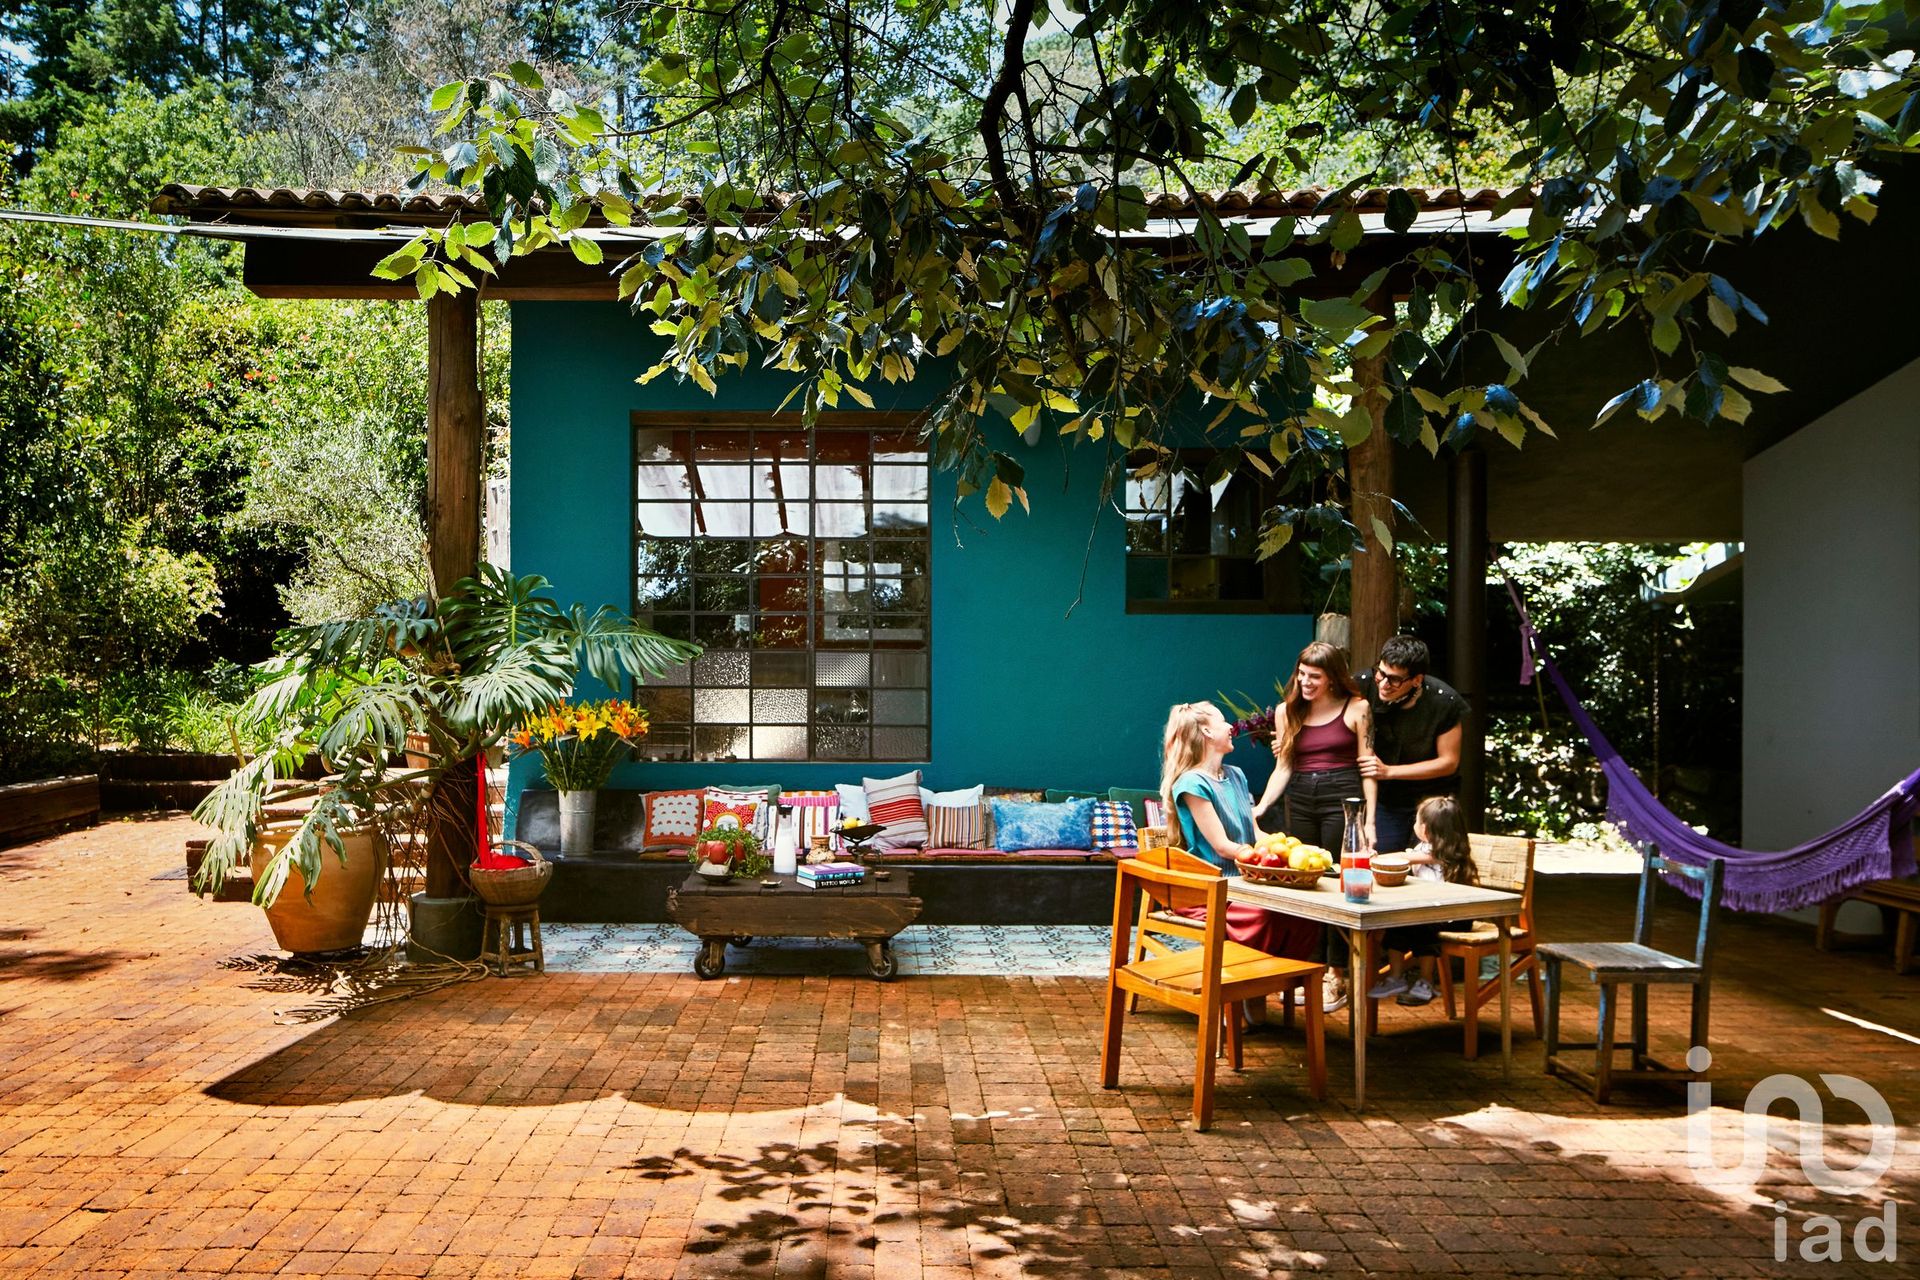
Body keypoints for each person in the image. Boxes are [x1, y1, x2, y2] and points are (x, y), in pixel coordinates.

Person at [1158, 701, 1321, 963]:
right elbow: (1222, 846)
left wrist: (1297, 851)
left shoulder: (1236, 775)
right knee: (1267, 914)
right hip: (1214, 888)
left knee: (1303, 910)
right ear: (1207, 732)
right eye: (1223, 721)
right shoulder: (1191, 783)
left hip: (1247, 882)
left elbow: (1254, 833)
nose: (1231, 727)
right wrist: (1270, 860)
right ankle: (1248, 985)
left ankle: (1281, 978)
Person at [1253, 641, 1377, 852]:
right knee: (1303, 862)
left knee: (1338, 862)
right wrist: (1262, 806)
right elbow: (1283, 767)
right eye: (1302, 673)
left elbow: (1368, 770)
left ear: (1332, 678)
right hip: (1300, 795)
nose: (1305, 681)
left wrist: (1369, 823)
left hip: (1342, 793)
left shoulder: (1357, 708)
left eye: (1315, 676)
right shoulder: (1286, 711)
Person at [1356, 635, 1466, 854]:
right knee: (1383, 859)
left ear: (1417, 680)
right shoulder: (1363, 683)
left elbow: (1449, 762)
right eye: (1381, 673)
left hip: (1433, 798)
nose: (1384, 684)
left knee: (1436, 863)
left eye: (1395, 680)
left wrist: (1389, 771)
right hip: (1387, 799)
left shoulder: (1444, 701)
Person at [1367, 795, 1477, 1006]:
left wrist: (1377, 858)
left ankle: (1426, 981)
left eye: (1417, 821)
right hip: (1429, 911)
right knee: (1397, 924)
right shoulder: (1424, 849)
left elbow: (1403, 858)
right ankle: (1396, 977)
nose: (1414, 825)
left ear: (1425, 829)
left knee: (1424, 927)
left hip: (1456, 917)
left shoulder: (1447, 854)